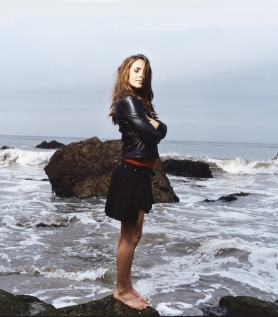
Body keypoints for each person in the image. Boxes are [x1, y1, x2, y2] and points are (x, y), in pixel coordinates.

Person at [105, 54, 167, 310]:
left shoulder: (141, 103)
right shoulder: (129, 101)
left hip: (140, 175)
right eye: (136, 70)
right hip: (131, 173)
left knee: (135, 235)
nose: (141, 75)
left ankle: (127, 285)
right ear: (126, 73)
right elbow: (152, 134)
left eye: (144, 71)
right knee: (129, 237)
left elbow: (159, 129)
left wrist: (158, 125)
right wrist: (157, 126)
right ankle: (121, 290)